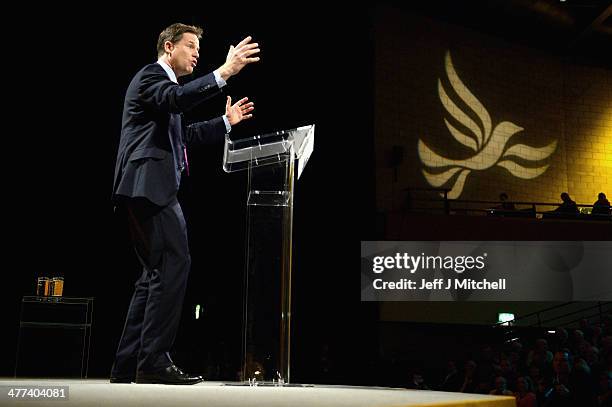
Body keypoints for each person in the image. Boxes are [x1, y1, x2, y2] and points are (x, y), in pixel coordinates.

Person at [110, 23, 260, 385]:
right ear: (167, 47)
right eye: (190, 46)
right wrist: (224, 72)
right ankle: (154, 361)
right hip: (148, 186)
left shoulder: (165, 92)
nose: (196, 53)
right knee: (175, 262)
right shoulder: (151, 78)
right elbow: (177, 100)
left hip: (145, 188)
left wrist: (225, 121)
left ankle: (129, 363)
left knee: (154, 274)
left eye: (198, 48)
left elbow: (185, 135)